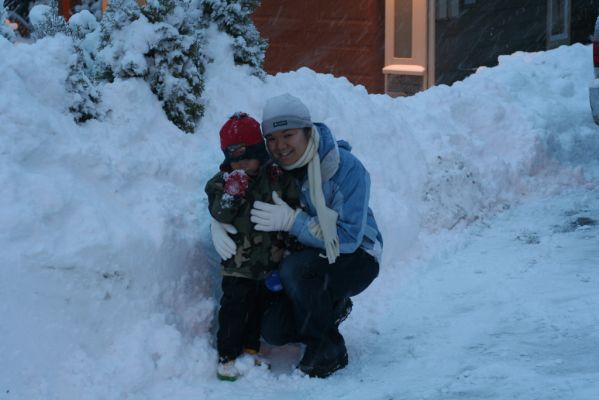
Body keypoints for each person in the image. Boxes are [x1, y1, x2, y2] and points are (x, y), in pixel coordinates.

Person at [212, 94, 382, 378]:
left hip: (357, 256)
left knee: (295, 269)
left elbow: (350, 237)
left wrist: (294, 221)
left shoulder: (345, 168)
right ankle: (329, 308)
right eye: (272, 139)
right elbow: (237, 190)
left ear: (307, 131)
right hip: (310, 257)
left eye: (288, 135)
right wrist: (218, 222)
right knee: (274, 329)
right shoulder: (276, 171)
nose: (280, 146)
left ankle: (328, 349)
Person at [205, 112, 301, 381]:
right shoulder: (220, 183)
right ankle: (227, 356)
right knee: (234, 310)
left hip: (268, 263)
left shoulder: (275, 178)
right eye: (235, 160)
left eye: (248, 158)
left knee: (258, 309)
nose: (243, 165)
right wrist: (231, 194)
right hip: (237, 264)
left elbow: (293, 206)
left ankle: (250, 350)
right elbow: (219, 214)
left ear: (261, 153)